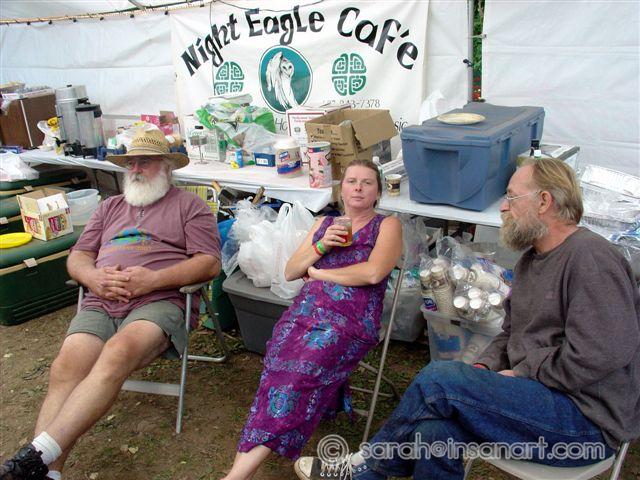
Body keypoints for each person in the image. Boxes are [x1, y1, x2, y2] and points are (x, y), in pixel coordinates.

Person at [294, 158, 640, 480]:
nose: (503, 208)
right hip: (537, 399)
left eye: (511, 197)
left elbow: (602, 353)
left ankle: (369, 466)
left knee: (440, 378)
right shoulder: (531, 261)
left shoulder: (591, 257)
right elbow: (510, 334)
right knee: (434, 431)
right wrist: (484, 369)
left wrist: (523, 372)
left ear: (544, 202)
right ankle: (372, 467)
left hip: (584, 421)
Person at [1, 129, 221, 480]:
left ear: (167, 167)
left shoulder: (189, 206)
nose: (135, 169)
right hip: (102, 298)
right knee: (66, 367)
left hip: (158, 299)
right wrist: (92, 278)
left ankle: (35, 457)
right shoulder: (109, 207)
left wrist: (152, 280)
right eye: (130, 163)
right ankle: (47, 472)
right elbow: (78, 256)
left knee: (117, 352)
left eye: (145, 162)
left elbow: (209, 263)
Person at [222, 159, 403, 480]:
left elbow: (373, 273)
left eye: (367, 182)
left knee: (297, 378)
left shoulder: (387, 225)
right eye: (351, 181)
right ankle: (240, 474)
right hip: (305, 313)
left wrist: (321, 273)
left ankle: (236, 476)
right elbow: (291, 271)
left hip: (349, 320)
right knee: (276, 375)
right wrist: (322, 244)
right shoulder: (324, 224)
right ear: (341, 190)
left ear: (377, 193)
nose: (358, 188)